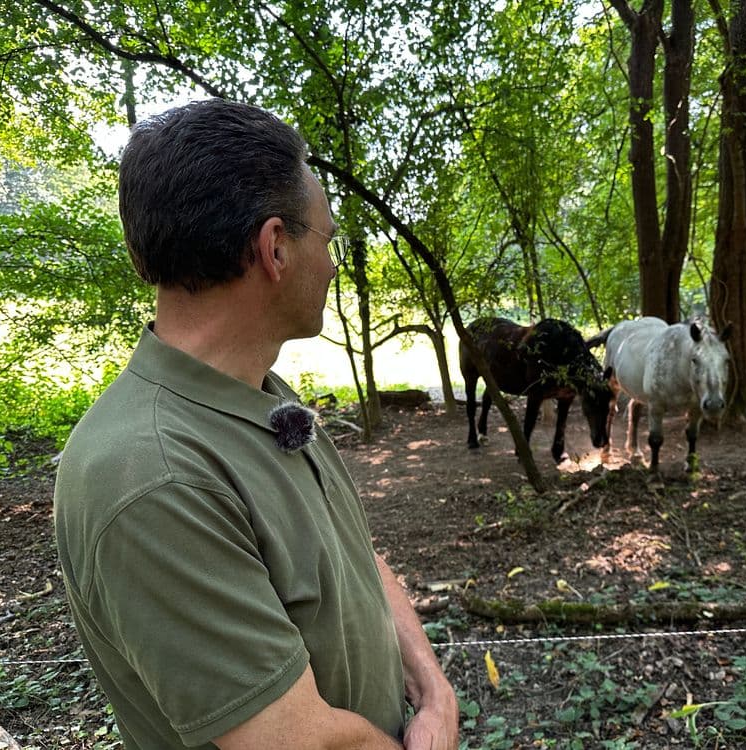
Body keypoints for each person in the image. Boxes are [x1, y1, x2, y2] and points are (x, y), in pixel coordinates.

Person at [53, 98, 458, 749]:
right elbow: (300, 740)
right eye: (326, 240)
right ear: (275, 248)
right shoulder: (153, 474)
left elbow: (355, 557)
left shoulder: (265, 397)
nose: (331, 263)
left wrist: (433, 690)